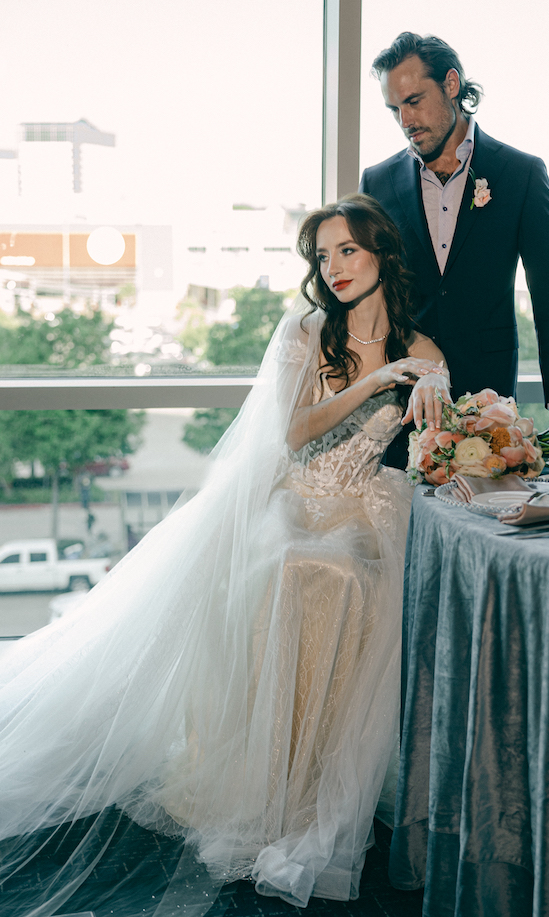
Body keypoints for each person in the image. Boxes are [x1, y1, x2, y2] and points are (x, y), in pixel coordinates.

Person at [0, 194, 447, 916]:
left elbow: (435, 448)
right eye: (322, 255)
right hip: (293, 495)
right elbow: (293, 433)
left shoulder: (425, 354)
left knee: (355, 574)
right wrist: (368, 381)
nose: (332, 268)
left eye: (348, 252)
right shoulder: (309, 333)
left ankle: (315, 787)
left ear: (380, 255)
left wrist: (450, 416)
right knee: (297, 564)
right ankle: (267, 783)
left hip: (366, 503)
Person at [359, 31, 549, 466]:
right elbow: (369, 299)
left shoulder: (521, 174)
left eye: (415, 100)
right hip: (403, 405)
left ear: (452, 84)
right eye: (394, 108)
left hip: (489, 401)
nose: (405, 119)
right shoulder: (376, 182)